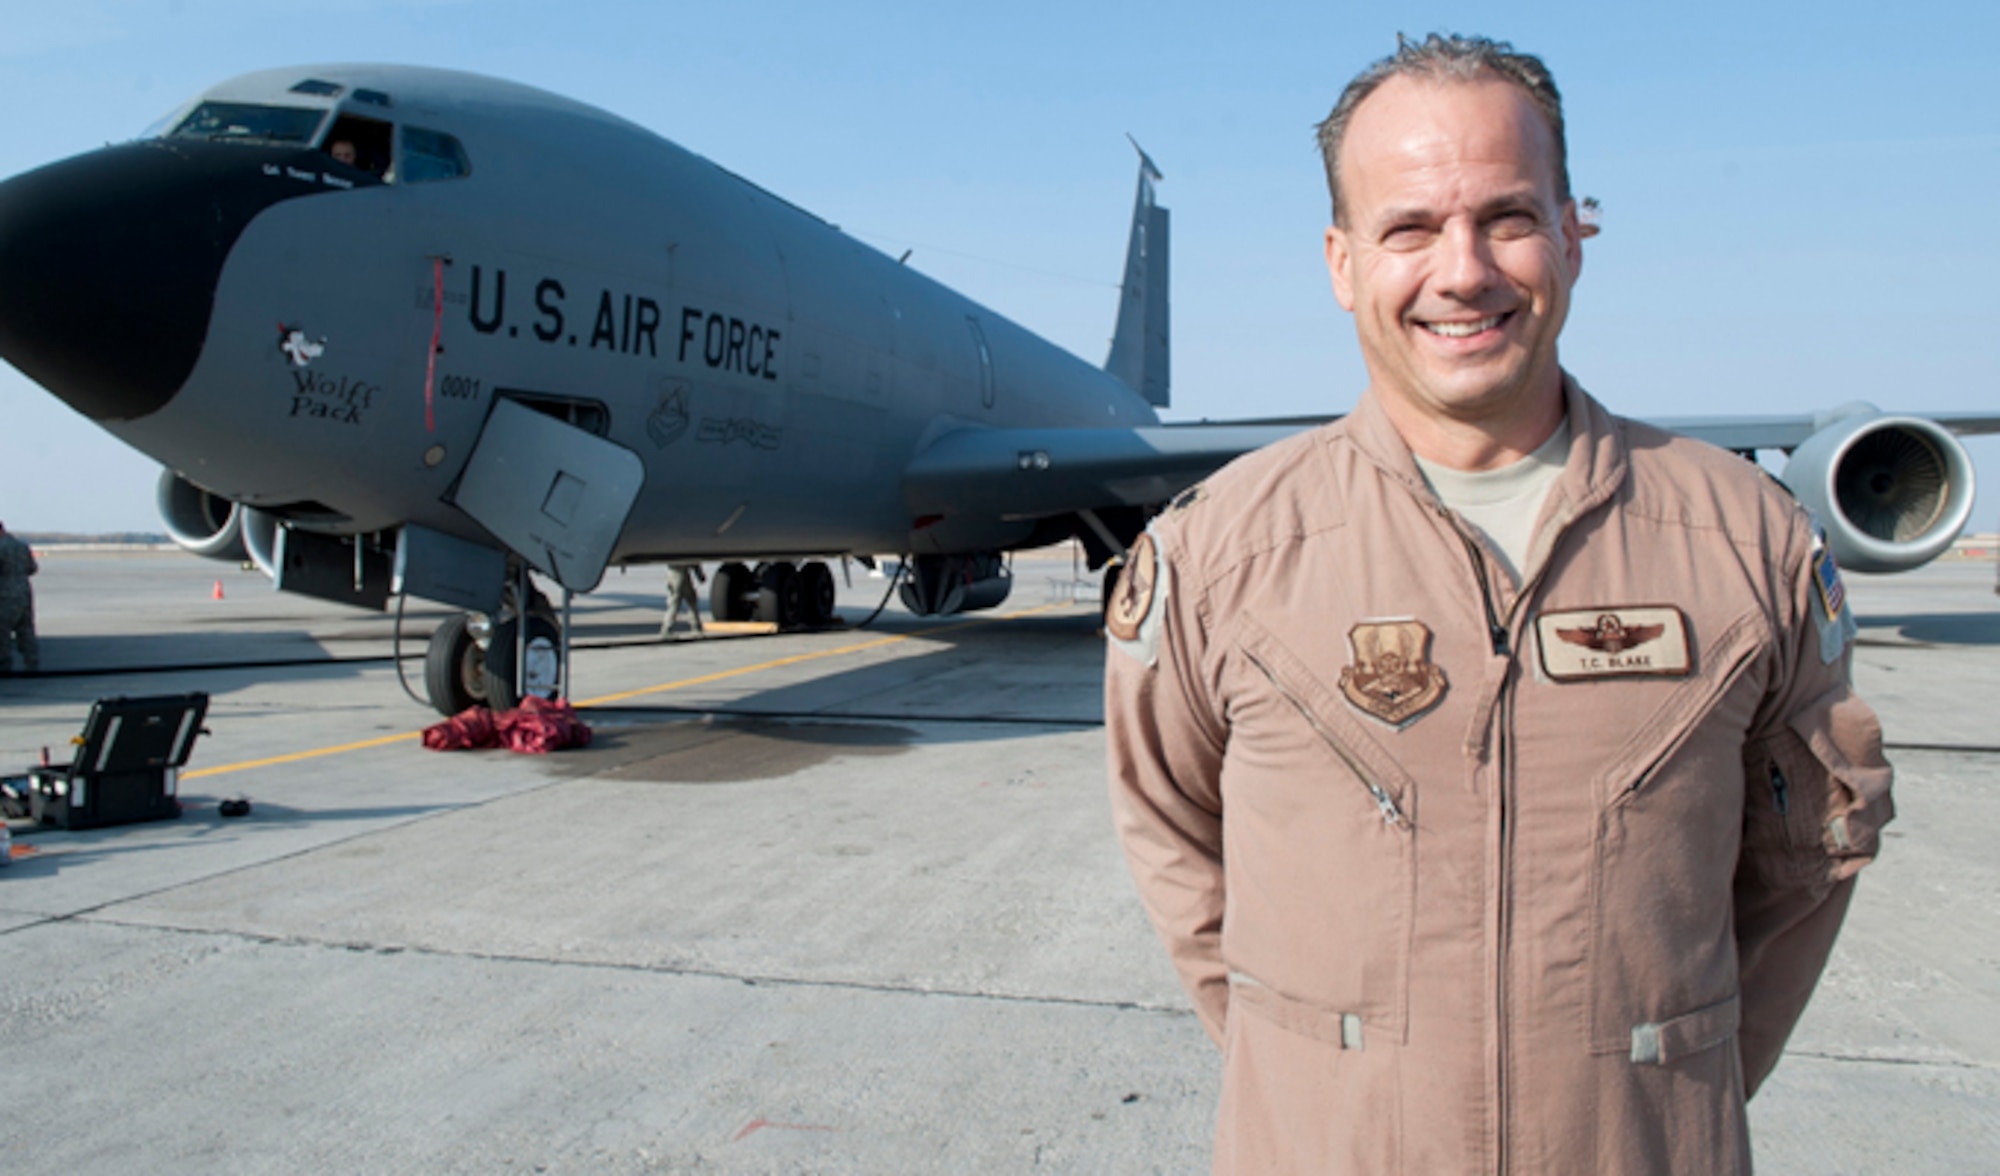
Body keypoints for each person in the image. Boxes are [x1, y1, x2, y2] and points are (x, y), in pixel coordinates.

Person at [1104, 33, 1892, 1175]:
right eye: (1409, 227)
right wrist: (1326, 1078)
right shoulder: (1222, 553)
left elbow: (1804, 861)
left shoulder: (1745, 540)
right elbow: (1171, 832)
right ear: (1339, 262)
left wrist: (1660, 1090)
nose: (1461, 269)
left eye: (1507, 218)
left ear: (1574, 233)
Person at [0, 520, 39, 674]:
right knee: (26, 629)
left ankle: (4, 666)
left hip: (4, 593)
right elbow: (32, 568)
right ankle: (32, 663)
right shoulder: (21, 546)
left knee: (2, 631)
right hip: (24, 591)